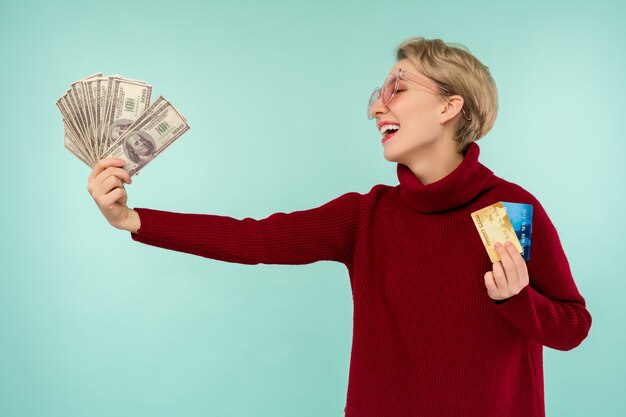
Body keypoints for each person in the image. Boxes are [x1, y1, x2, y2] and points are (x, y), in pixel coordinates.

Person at [86, 37, 592, 417]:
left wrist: (517, 300)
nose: (377, 106)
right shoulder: (366, 216)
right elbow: (255, 238)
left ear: (448, 105)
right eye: (379, 92)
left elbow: (573, 327)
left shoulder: (509, 209)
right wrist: (134, 220)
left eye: (398, 87)